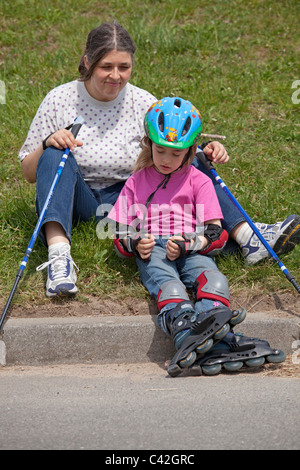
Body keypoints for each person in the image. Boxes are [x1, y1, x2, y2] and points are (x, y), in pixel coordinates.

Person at [18, 21, 300, 297]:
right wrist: (47, 143)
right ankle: (59, 257)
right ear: (88, 61)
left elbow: (174, 142)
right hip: (78, 200)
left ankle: (246, 235)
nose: (115, 76)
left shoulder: (143, 103)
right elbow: (29, 172)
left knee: (194, 159)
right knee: (55, 153)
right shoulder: (59, 99)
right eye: (106, 66)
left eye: (124, 67)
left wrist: (205, 150)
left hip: (132, 199)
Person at [109, 96, 286, 376]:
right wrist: (134, 243)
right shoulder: (136, 181)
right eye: (160, 150)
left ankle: (212, 325)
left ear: (192, 151)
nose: (166, 160)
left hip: (190, 245)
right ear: (149, 144)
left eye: (176, 153)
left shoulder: (199, 180)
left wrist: (192, 243)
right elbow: (119, 232)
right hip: (153, 245)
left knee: (213, 280)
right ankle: (184, 331)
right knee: (170, 287)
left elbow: (216, 233)